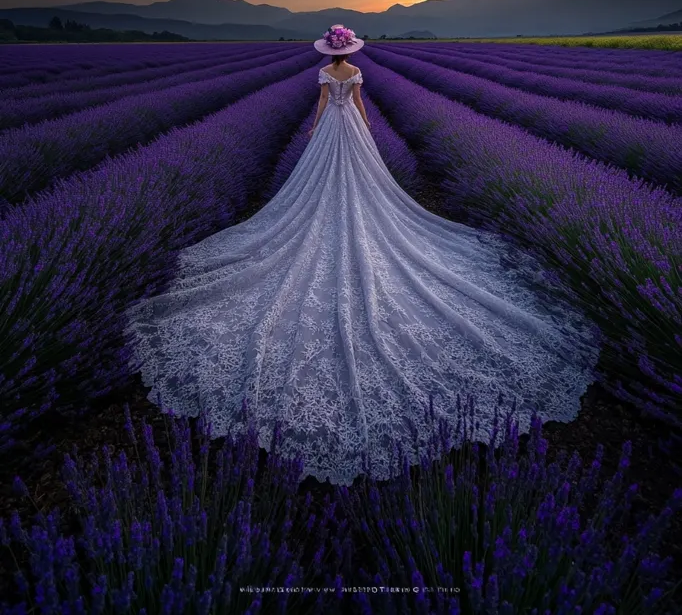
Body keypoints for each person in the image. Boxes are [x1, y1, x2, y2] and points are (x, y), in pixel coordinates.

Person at [125, 24, 596, 486]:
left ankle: (326, 212)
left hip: (332, 129)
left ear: (326, 53)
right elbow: (363, 108)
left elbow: (321, 108)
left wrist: (312, 134)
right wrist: (369, 131)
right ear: (349, 50)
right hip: (353, 130)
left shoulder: (327, 77)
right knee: (365, 184)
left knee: (320, 183)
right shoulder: (356, 74)